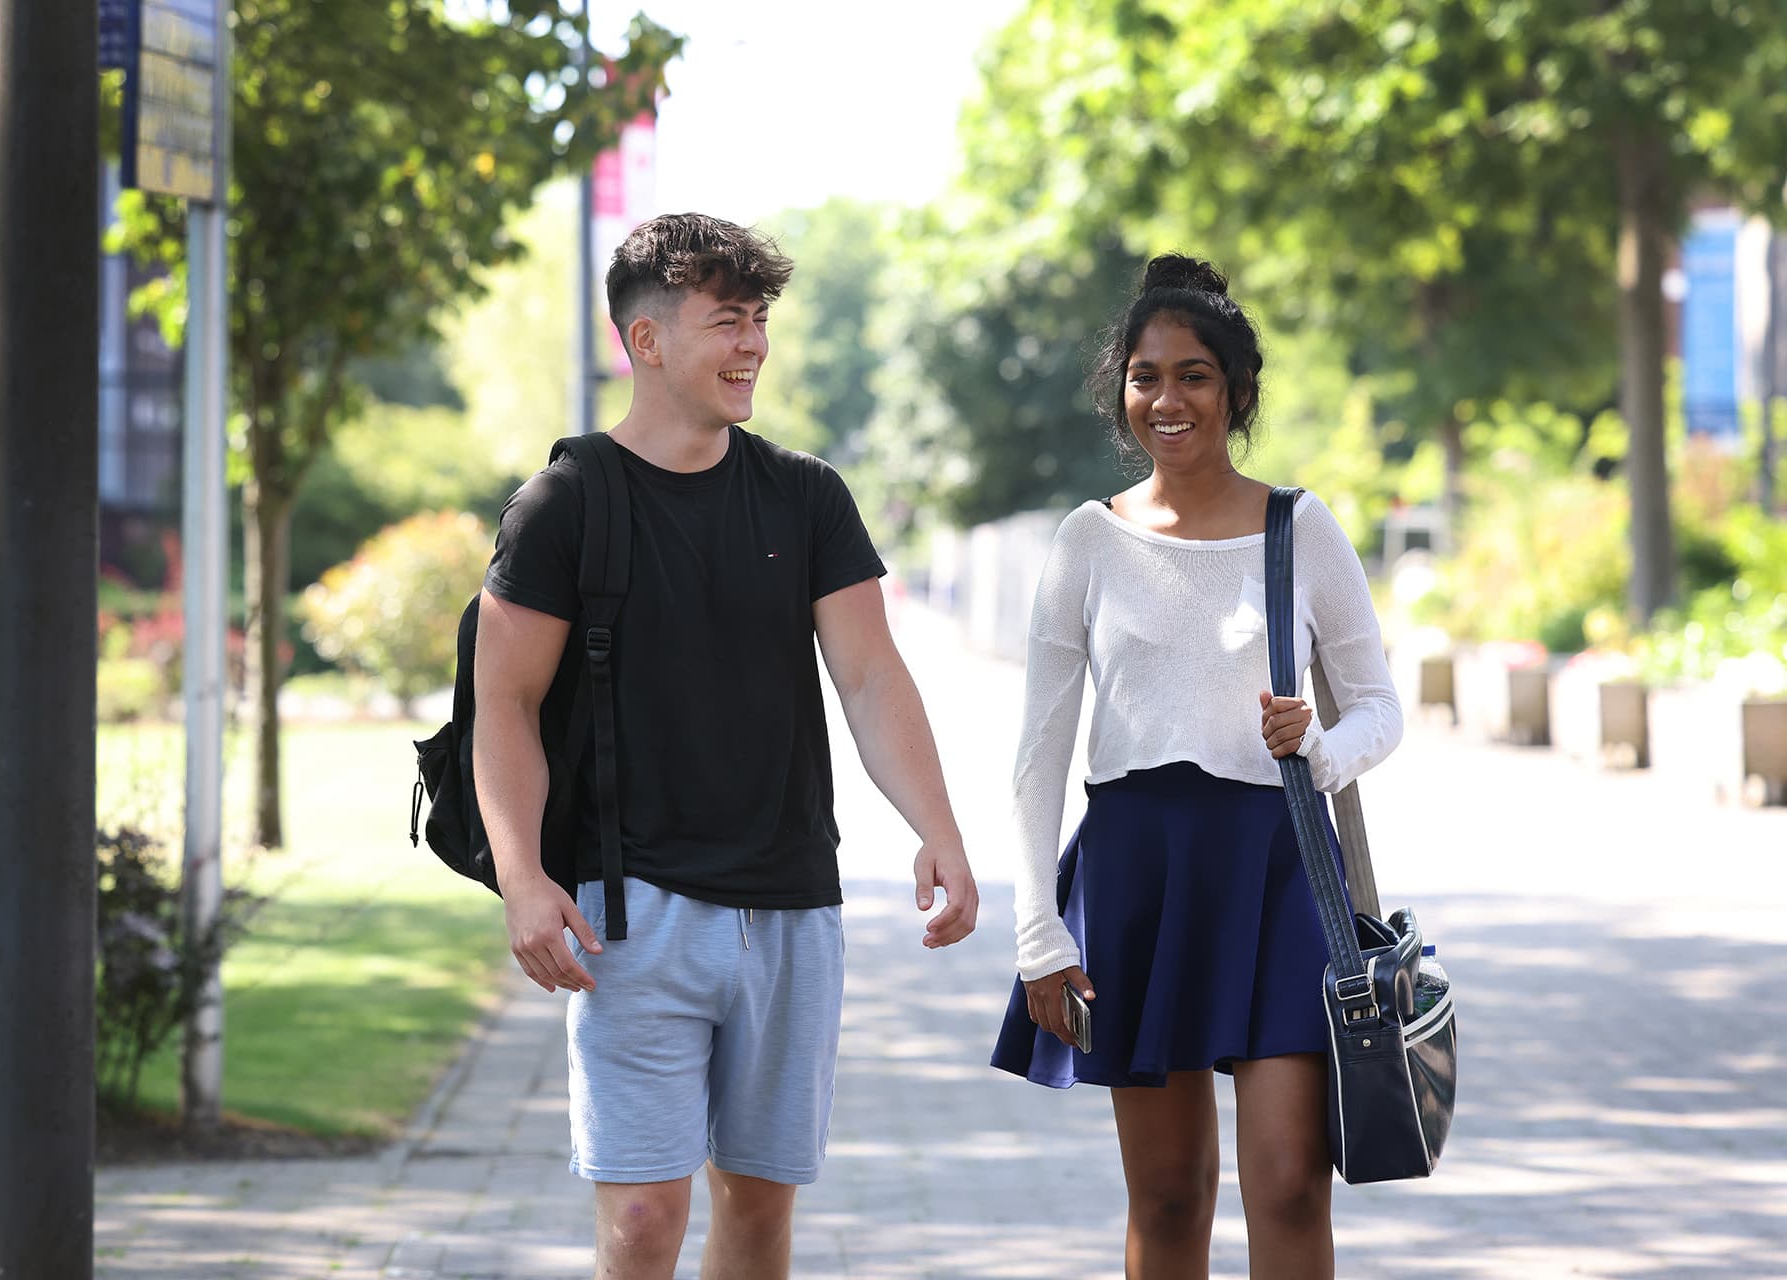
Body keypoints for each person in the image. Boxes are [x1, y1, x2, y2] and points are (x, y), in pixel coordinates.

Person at [473, 212, 980, 1280]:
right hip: (629, 910)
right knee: (645, 1220)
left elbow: (869, 672)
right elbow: (503, 704)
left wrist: (937, 827)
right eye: (726, 320)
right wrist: (523, 877)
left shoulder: (805, 496)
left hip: (793, 904)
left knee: (755, 1214)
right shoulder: (565, 505)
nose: (752, 344)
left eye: (759, 319)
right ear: (647, 341)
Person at [989, 253, 1403, 1278]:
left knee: (1289, 1181)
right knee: (1169, 1199)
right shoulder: (1087, 540)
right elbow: (1039, 751)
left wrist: (1317, 744)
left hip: (1275, 876)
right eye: (1146, 375)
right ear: (1121, 390)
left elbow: (1382, 712)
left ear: (1238, 391)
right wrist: (1038, 929)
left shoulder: (1298, 527)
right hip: (1136, 878)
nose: (1167, 398)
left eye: (1194, 375)